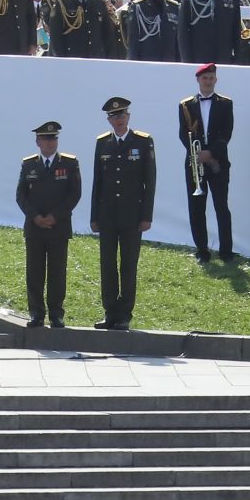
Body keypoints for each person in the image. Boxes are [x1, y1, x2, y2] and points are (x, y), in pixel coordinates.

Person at [89, 95, 155, 331]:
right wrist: (94, 217)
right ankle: (110, 312)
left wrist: (146, 216)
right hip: (107, 215)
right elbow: (98, 181)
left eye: (122, 115)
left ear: (128, 117)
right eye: (114, 116)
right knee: (107, 264)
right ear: (109, 119)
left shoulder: (143, 141)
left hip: (132, 215)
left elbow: (150, 181)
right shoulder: (103, 142)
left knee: (128, 265)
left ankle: (124, 314)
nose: (119, 119)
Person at [12, 118, 80, 331]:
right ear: (37, 141)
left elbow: (74, 194)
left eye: (53, 139)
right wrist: (35, 217)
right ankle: (36, 313)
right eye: (45, 139)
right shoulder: (29, 164)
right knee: (34, 273)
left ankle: (57, 315)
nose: (50, 143)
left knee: (57, 273)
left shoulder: (69, 163)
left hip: (58, 227)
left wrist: (55, 216)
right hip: (34, 228)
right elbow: (21, 195)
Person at [178, 65, 233, 263]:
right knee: (196, 207)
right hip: (194, 162)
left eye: (211, 78)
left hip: (218, 162)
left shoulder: (226, 104)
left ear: (216, 80)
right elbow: (184, 133)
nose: (208, 81)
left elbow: (226, 133)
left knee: (221, 206)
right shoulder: (185, 105)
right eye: (205, 78)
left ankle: (226, 251)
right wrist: (198, 153)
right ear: (198, 80)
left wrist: (210, 153)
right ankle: (202, 250)